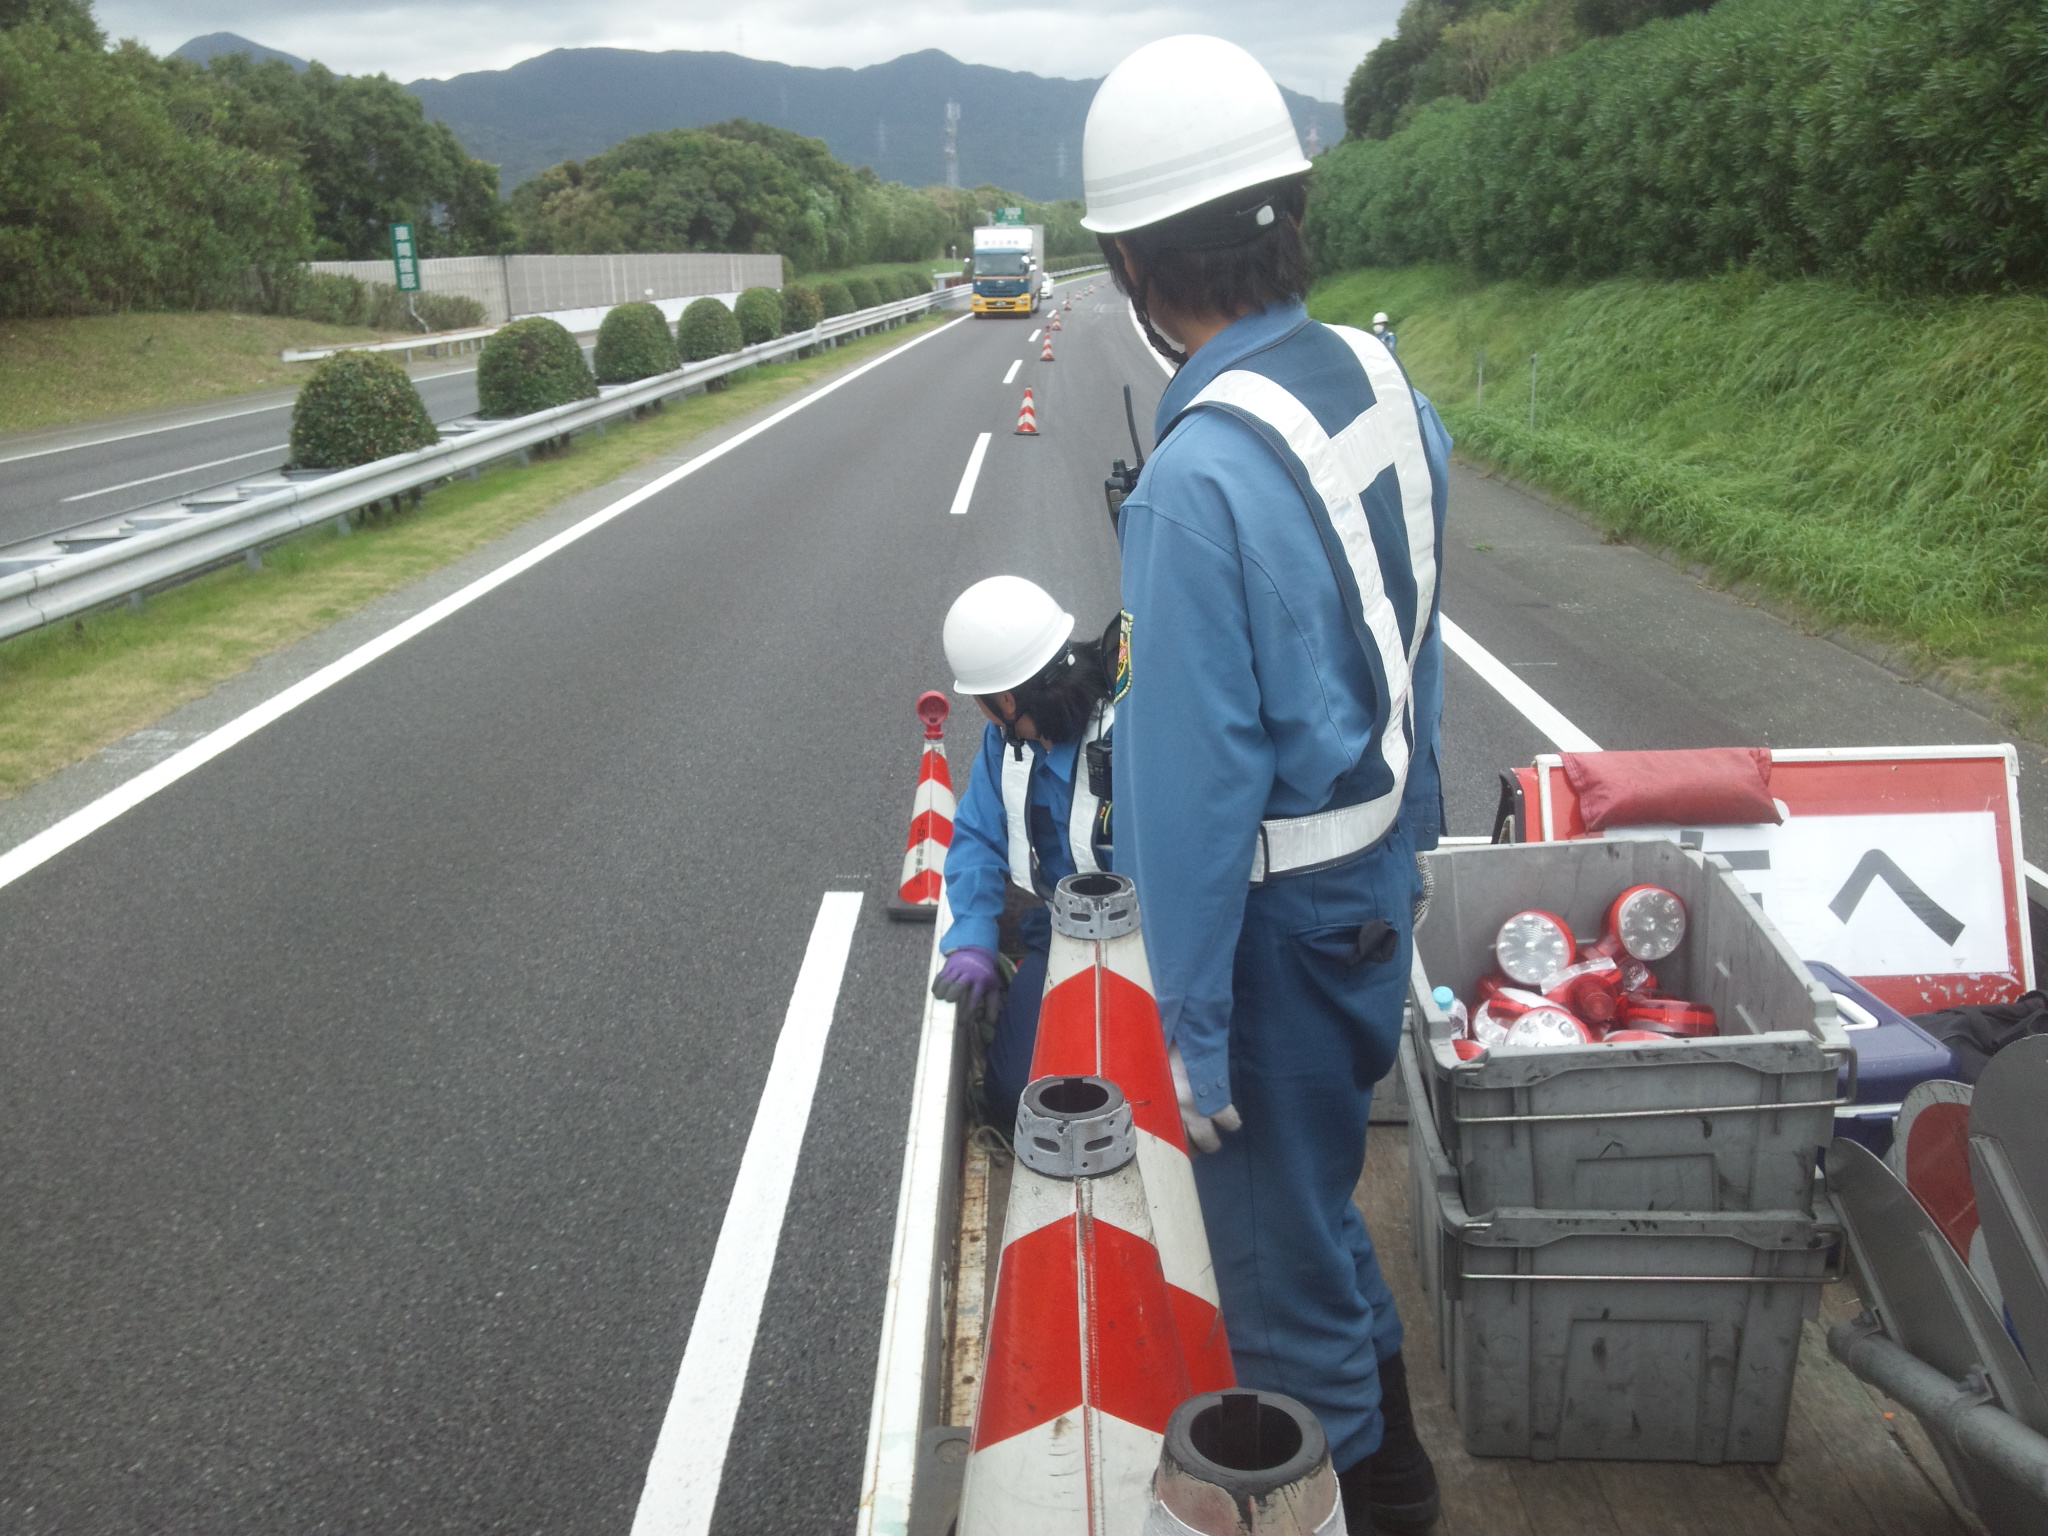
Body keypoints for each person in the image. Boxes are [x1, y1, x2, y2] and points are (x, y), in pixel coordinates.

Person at [1080, 34, 1450, 1535]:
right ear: (1288, 210)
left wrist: (1187, 1039)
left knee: (1273, 1286)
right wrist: (1412, 841)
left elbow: (1189, 794)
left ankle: (1370, 1496)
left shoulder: (1195, 480)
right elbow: (1419, 646)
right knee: (1316, 1208)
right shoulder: (1378, 378)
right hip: (1369, 896)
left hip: (1275, 944)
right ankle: (1406, 1469)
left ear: (1131, 263)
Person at [929, 576, 1117, 1135]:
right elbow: (976, 834)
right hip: (1062, 935)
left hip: (1149, 947)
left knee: (1134, 1087)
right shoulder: (1006, 744)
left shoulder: (1127, 736)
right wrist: (973, 937)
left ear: (1006, 700)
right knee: (1017, 1098)